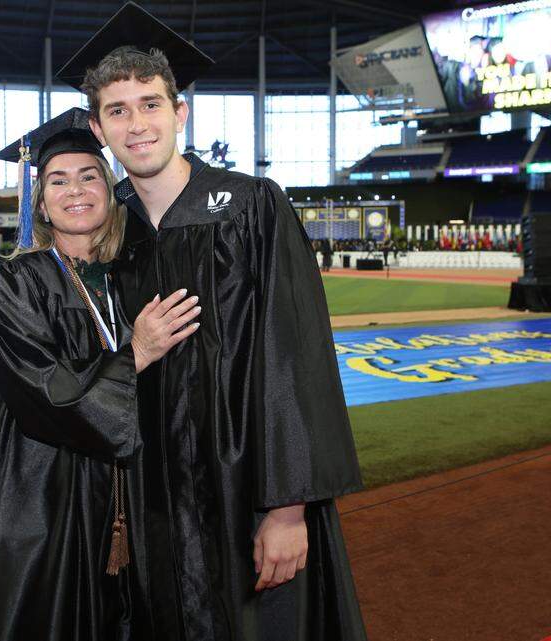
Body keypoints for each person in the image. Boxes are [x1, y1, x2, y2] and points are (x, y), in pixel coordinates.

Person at [59, 4, 367, 640]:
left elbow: (295, 356)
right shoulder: (108, 231)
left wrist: (286, 508)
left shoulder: (252, 207)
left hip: (243, 486)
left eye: (150, 104)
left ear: (180, 112)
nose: (136, 124)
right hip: (151, 497)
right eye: (117, 111)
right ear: (98, 127)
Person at [0, 108, 201, 641]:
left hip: (133, 492)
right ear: (42, 202)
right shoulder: (17, 282)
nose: (75, 190)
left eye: (89, 175)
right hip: (48, 496)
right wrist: (136, 353)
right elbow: (43, 393)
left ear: (110, 188)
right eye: (58, 180)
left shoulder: (130, 278)